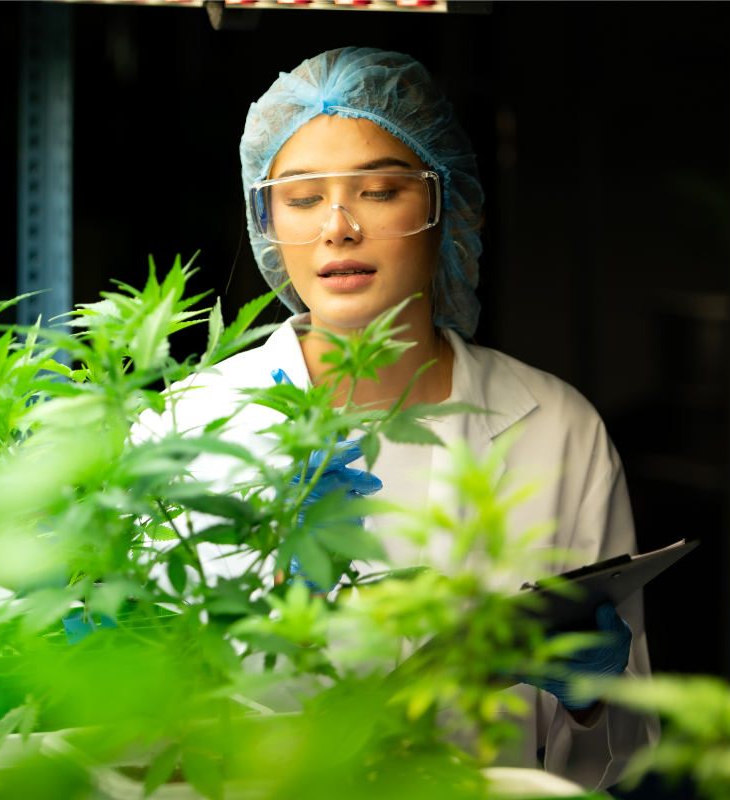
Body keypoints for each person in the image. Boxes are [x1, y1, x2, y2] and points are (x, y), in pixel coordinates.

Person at [145, 48, 659, 790]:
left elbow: (622, 753)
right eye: (300, 197)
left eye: (380, 190)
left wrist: (590, 701)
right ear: (268, 221)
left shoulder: (554, 427)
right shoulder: (185, 429)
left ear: (445, 203)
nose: (338, 228)